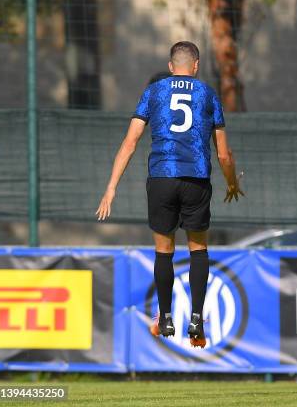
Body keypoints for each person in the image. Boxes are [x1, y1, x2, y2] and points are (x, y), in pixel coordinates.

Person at [95, 41, 244, 348]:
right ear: (197, 66)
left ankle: (164, 317)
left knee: (164, 252)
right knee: (198, 250)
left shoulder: (154, 92)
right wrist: (231, 183)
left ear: (171, 65)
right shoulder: (208, 94)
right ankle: (197, 319)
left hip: (162, 178)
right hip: (196, 179)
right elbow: (225, 155)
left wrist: (111, 186)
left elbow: (130, 141)